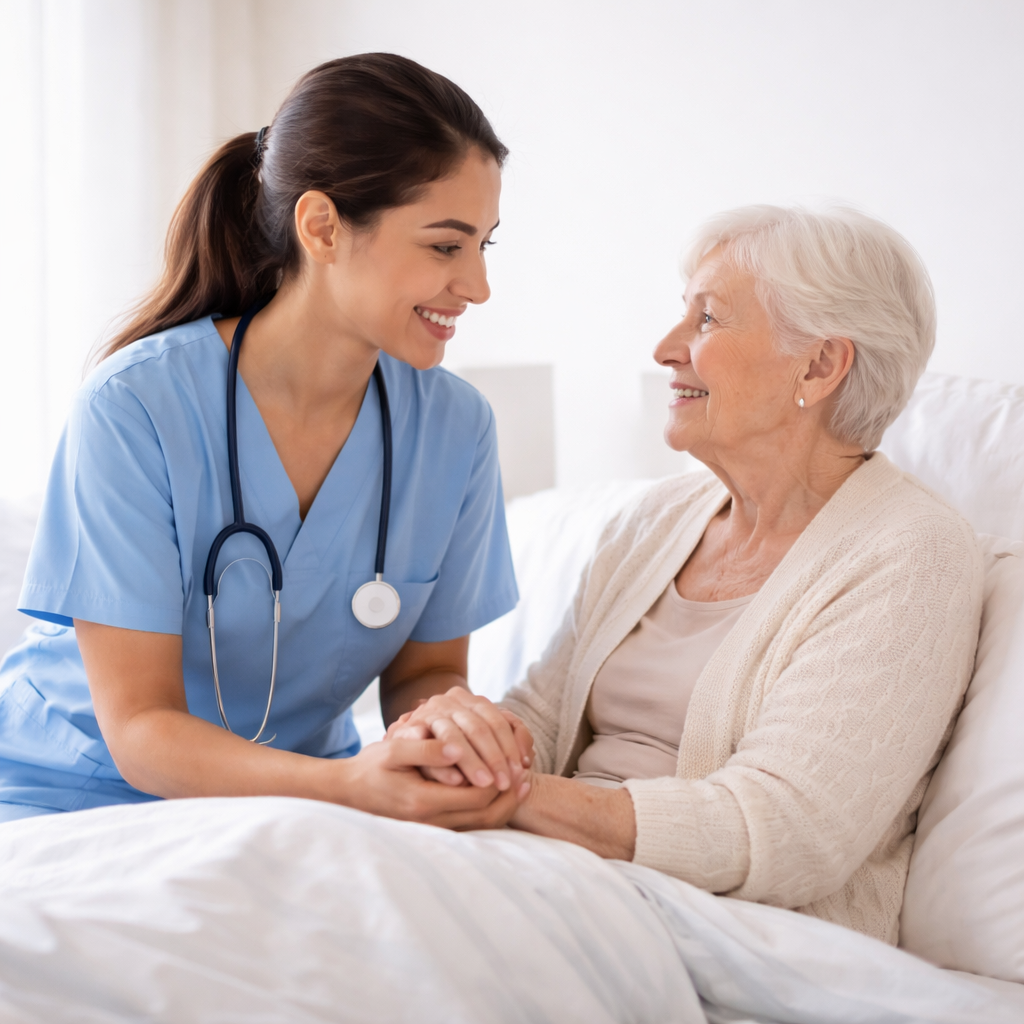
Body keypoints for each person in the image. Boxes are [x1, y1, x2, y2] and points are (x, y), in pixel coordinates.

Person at [393, 206, 984, 944]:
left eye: (707, 320)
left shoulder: (911, 555)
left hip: (730, 930)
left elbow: (782, 830)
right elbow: (536, 723)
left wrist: (506, 796)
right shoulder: (653, 520)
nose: (667, 349)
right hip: (550, 868)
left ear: (821, 365)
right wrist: (460, 741)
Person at [0, 54, 534, 825]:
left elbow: (426, 670)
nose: (478, 286)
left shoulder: (457, 429)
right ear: (320, 226)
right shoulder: (137, 406)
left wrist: (447, 728)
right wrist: (351, 785)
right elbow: (140, 730)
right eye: (445, 246)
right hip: (69, 798)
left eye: (485, 245)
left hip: (297, 801)